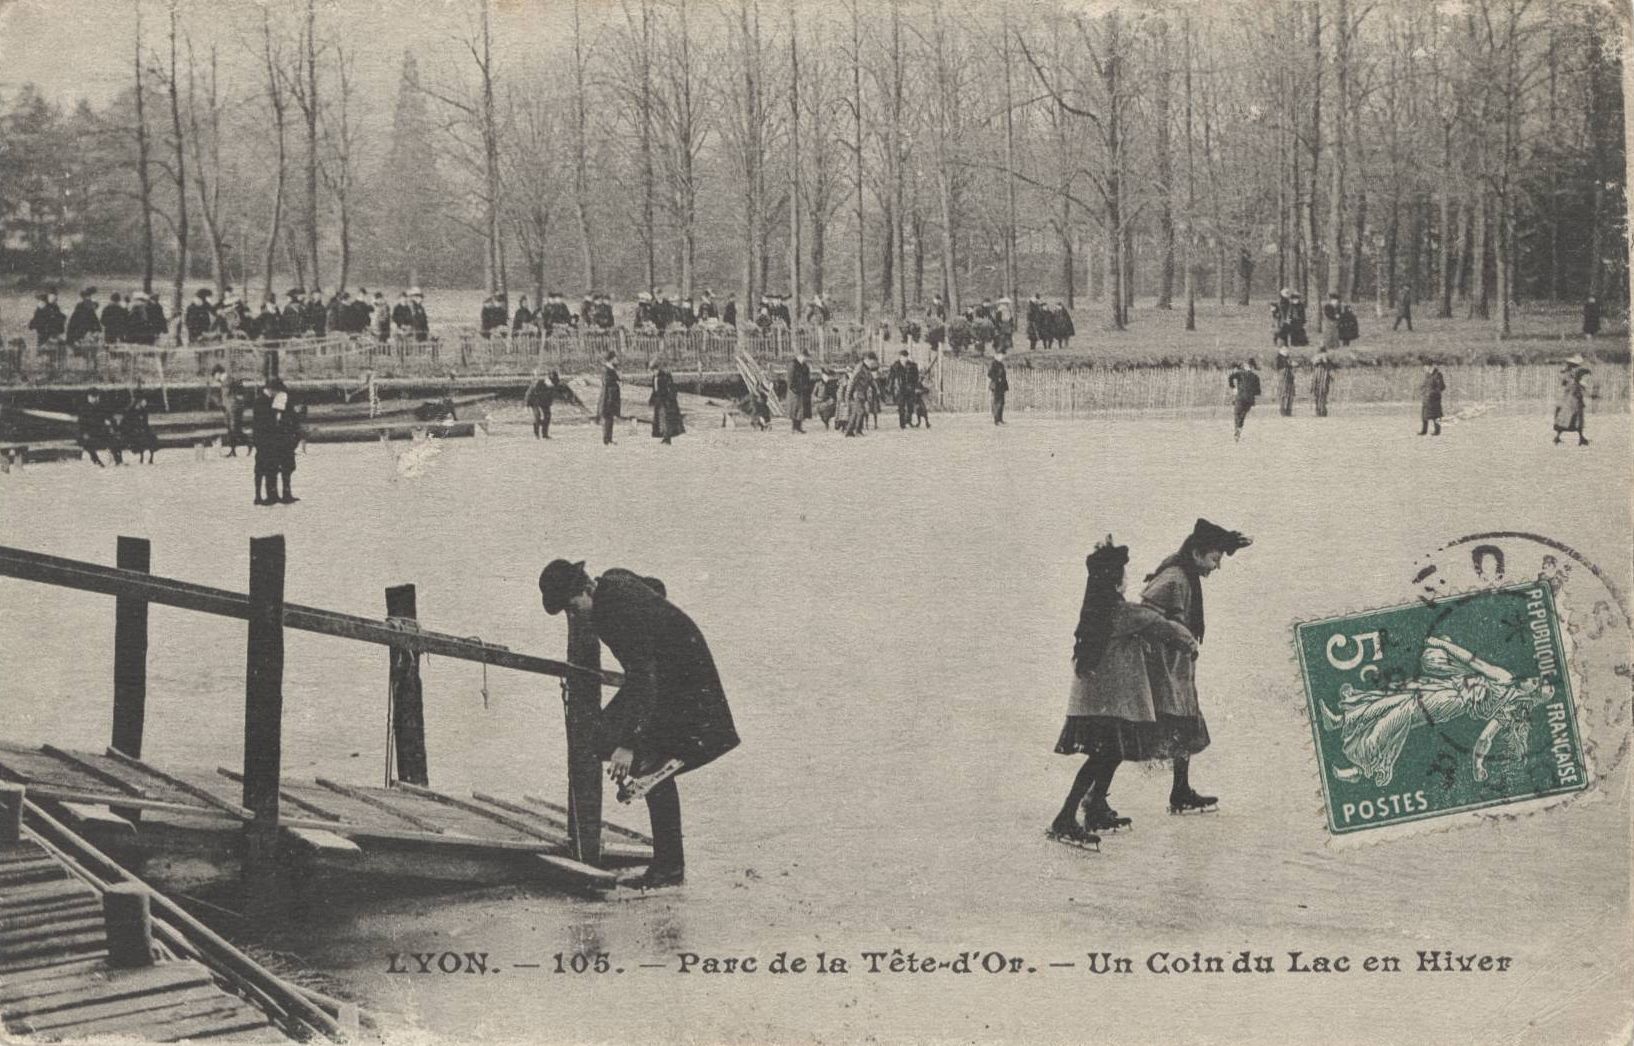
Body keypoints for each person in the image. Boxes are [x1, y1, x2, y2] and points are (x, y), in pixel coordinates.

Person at [537, 560, 740, 888]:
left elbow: (644, 680)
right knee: (606, 739)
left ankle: (669, 867)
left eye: (573, 608)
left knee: (645, 762)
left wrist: (630, 744)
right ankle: (657, 777)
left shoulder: (613, 614)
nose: (574, 617)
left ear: (587, 590)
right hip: (676, 675)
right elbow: (656, 585)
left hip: (682, 687)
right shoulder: (615, 580)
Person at [1049, 538, 1200, 846]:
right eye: (1124, 575)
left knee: (1109, 755)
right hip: (1109, 707)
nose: (1127, 580)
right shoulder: (1123, 613)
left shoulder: (1095, 613)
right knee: (1101, 758)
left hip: (1093, 706)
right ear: (1116, 582)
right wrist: (1190, 642)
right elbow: (1162, 625)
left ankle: (1094, 809)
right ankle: (1065, 817)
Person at [1318, 636, 1551, 788]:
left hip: (1452, 701)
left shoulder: (1509, 702)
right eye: (1537, 679)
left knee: (1404, 710)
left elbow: (1485, 737)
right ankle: (1342, 722)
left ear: (1534, 695)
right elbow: (1474, 663)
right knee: (1395, 700)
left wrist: (1477, 765)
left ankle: (1361, 765)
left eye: (1537, 684)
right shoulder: (1506, 679)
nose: (1532, 679)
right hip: (1446, 687)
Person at [1141, 518, 1252, 815]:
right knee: (1144, 733)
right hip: (1166, 670)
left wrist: (1226, 542)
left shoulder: (1185, 573)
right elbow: (1147, 614)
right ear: (1195, 554)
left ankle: (1180, 791)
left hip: (1177, 669)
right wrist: (1177, 638)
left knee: (1185, 725)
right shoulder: (1176, 578)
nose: (1217, 566)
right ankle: (1094, 796)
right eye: (1214, 558)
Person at [77, 387, 122, 467]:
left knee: (114, 439)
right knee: (88, 443)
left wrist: (111, 425)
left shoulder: (101, 407)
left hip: (101, 432)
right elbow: (82, 423)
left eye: (96, 397)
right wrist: (84, 433)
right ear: (88, 397)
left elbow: (109, 417)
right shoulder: (84, 409)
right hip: (89, 433)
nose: (94, 399)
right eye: (92, 397)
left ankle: (118, 460)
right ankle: (96, 460)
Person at [1553, 356, 1590, 447]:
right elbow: (1578, 385)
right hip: (1573, 398)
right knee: (1576, 418)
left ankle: (1558, 437)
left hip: (1568, 398)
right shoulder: (1573, 373)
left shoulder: (1567, 373)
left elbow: (1565, 383)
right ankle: (1581, 438)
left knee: (1565, 418)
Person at [649, 358, 684, 445]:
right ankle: (664, 436)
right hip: (659, 401)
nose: (653, 372)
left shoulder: (665, 376)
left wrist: (669, 399)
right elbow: (654, 390)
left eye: (654, 370)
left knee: (666, 419)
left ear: (657, 369)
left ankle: (667, 438)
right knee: (661, 420)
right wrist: (652, 399)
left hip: (666, 402)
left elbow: (670, 389)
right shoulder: (654, 378)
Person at [844, 353, 878, 437]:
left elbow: (871, 380)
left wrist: (876, 389)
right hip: (857, 393)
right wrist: (847, 395)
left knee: (855, 413)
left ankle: (849, 431)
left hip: (863, 393)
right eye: (871, 362)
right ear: (867, 360)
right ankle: (857, 431)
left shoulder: (867, 369)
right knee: (860, 411)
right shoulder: (859, 368)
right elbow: (852, 381)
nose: (872, 364)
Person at [120, 392, 160, 464]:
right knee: (140, 437)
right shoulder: (130, 411)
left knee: (151, 436)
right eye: (144, 401)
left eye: (145, 402)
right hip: (131, 430)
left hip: (141, 430)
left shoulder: (144, 411)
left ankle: (151, 457)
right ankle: (140, 455)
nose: (145, 403)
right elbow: (126, 423)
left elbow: (145, 423)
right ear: (139, 401)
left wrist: (146, 430)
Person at [1227, 359, 1261, 442]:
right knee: (1242, 415)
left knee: (1237, 414)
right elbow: (1258, 392)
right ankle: (1239, 429)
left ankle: (1237, 431)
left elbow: (1230, 377)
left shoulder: (1240, 373)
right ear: (1253, 367)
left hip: (1240, 397)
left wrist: (1234, 387)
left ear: (1246, 366)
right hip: (1249, 399)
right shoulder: (1256, 377)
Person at [888, 349, 920, 430]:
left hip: (910, 388)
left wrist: (915, 386)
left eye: (905, 357)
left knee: (910, 406)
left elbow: (916, 377)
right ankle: (902, 424)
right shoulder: (895, 366)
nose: (904, 358)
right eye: (902, 357)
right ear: (900, 357)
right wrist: (891, 388)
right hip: (900, 389)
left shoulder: (912, 366)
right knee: (901, 406)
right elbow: (891, 378)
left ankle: (908, 420)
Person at [786, 347, 813, 433]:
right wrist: (794, 389)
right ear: (800, 356)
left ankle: (799, 427)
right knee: (795, 409)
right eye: (805, 357)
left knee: (801, 410)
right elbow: (790, 379)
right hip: (794, 390)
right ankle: (794, 427)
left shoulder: (804, 366)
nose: (805, 359)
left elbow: (807, 378)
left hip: (802, 391)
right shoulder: (793, 364)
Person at [598, 351, 621, 445]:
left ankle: (609, 438)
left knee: (610, 418)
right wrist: (617, 382)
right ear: (611, 359)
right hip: (608, 397)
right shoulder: (607, 369)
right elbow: (608, 383)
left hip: (611, 396)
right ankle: (607, 439)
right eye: (615, 358)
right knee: (608, 418)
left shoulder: (611, 369)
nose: (617, 360)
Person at [1418, 360, 1445, 436]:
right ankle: (1424, 431)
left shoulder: (1438, 375)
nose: (1424, 368)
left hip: (1434, 399)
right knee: (1424, 416)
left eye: (1425, 366)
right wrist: (1422, 391)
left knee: (1436, 416)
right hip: (1426, 398)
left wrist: (1432, 393)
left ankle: (1437, 431)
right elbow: (1424, 385)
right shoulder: (1427, 375)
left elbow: (1442, 387)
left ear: (1430, 366)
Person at [1310, 345, 1335, 418]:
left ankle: (1321, 410)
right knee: (1319, 394)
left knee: (1322, 394)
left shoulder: (1326, 359)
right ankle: (1319, 410)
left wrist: (1325, 361)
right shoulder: (1315, 358)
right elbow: (1312, 365)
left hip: (1323, 379)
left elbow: (1330, 367)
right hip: (1318, 379)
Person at [988, 350, 1009, 425]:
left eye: (1002, 355)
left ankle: (1000, 419)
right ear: (996, 356)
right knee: (996, 403)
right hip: (996, 386)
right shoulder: (993, 364)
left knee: (1002, 402)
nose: (1002, 357)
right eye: (1000, 355)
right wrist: (997, 378)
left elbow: (1003, 376)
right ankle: (996, 420)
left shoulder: (1001, 364)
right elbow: (989, 374)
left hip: (1001, 386)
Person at [1274, 347, 1296, 416]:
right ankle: (1286, 410)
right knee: (1286, 394)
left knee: (1285, 394)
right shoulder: (1281, 359)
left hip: (1285, 378)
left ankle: (1284, 410)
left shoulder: (1279, 359)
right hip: (1285, 377)